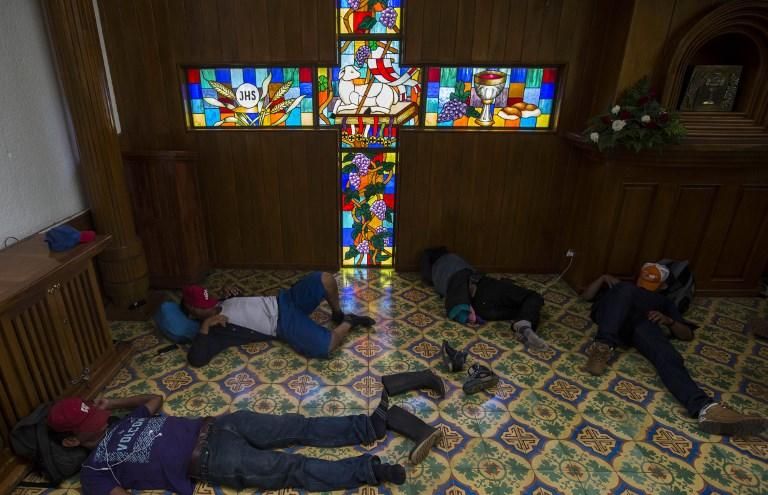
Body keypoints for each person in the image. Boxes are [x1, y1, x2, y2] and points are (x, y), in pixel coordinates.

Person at [47, 384, 443, 494]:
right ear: (70, 442)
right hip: (207, 459)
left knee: (298, 426)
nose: (103, 420)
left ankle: (369, 427)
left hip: (221, 423)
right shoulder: (95, 471)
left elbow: (155, 399)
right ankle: (370, 471)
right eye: (91, 422)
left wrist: (110, 401)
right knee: (291, 468)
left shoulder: (120, 420)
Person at [582, 262, 767, 436]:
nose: (644, 284)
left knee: (668, 356)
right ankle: (603, 346)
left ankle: (706, 409)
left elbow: (686, 334)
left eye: (651, 282)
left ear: (662, 286)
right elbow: (586, 297)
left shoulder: (663, 302)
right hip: (611, 319)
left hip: (641, 325)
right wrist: (603, 278)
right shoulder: (620, 289)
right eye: (643, 279)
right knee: (624, 290)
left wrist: (668, 320)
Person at [182, 272, 375, 365]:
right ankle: (349, 321)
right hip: (281, 322)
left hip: (284, 299)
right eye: (206, 307)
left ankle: (337, 313)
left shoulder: (219, 302)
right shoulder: (216, 331)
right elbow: (196, 359)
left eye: (211, 300)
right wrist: (206, 326)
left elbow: (244, 303)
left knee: (325, 279)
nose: (213, 305)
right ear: (194, 313)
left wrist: (230, 291)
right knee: (327, 345)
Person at [420, 247, 547, 348]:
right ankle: (524, 326)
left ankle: (523, 326)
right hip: (484, 288)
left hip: (482, 311)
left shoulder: (435, 279)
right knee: (533, 297)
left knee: (522, 308)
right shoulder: (451, 258)